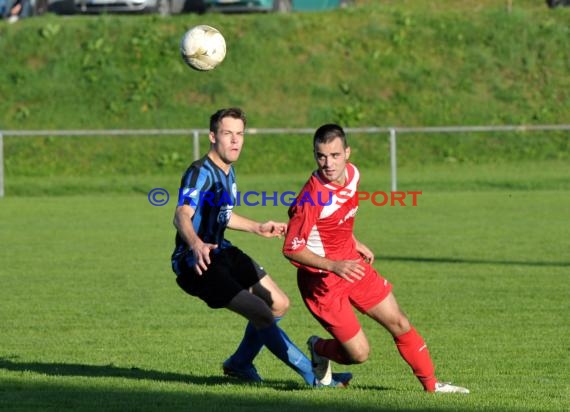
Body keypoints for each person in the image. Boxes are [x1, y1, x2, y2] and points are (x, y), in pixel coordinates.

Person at [282, 123, 470, 393]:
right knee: (358, 354)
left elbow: (336, 220)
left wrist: (354, 242)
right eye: (321, 156)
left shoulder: (354, 174)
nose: (328, 163)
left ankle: (432, 388)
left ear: (347, 152)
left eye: (334, 155)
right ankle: (319, 348)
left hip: (352, 266)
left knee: (399, 322)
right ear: (315, 155)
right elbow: (292, 247)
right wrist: (334, 265)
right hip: (323, 283)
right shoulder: (312, 197)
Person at [171, 108, 352, 388]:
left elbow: (223, 214)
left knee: (278, 303)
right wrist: (194, 244)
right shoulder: (199, 173)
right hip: (196, 262)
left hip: (222, 251)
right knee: (261, 311)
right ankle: (314, 376)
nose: (235, 141)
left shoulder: (228, 173)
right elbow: (182, 213)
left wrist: (257, 227)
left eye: (240, 134)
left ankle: (240, 363)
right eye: (227, 134)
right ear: (212, 136)